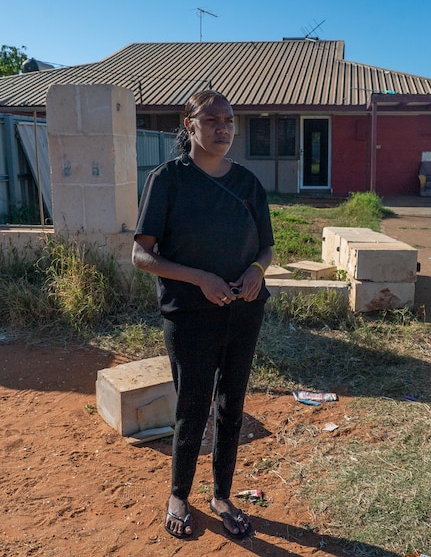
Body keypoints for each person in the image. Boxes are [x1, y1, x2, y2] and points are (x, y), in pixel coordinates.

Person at [131, 90, 274, 540]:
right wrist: (200, 279)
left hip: (243, 311)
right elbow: (141, 254)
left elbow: (267, 247)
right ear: (189, 125)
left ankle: (222, 496)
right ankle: (179, 495)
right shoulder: (168, 180)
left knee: (232, 404)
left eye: (229, 120)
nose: (223, 128)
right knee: (192, 407)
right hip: (190, 314)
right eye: (211, 120)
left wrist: (255, 271)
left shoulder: (248, 184)